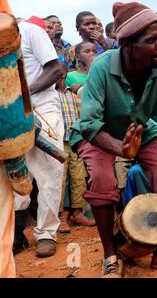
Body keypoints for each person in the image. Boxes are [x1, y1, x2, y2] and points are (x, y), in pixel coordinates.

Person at [69, 2, 157, 277]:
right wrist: (121, 149)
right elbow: (90, 124)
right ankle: (110, 255)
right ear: (127, 46)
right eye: (152, 40)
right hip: (99, 132)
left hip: (141, 128)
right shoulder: (102, 67)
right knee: (103, 179)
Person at [15, 17, 65, 257]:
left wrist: (23, 96)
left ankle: (46, 233)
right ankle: (14, 235)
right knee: (11, 178)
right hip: (9, 118)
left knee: (48, 176)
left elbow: (56, 69)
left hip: (42, 110)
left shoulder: (29, 31)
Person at [55, 65, 95, 230]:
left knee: (79, 177)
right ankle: (59, 215)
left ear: (64, 74)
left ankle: (77, 212)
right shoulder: (50, 96)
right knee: (60, 179)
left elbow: (81, 116)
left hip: (74, 142)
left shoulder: (73, 95)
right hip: (57, 142)